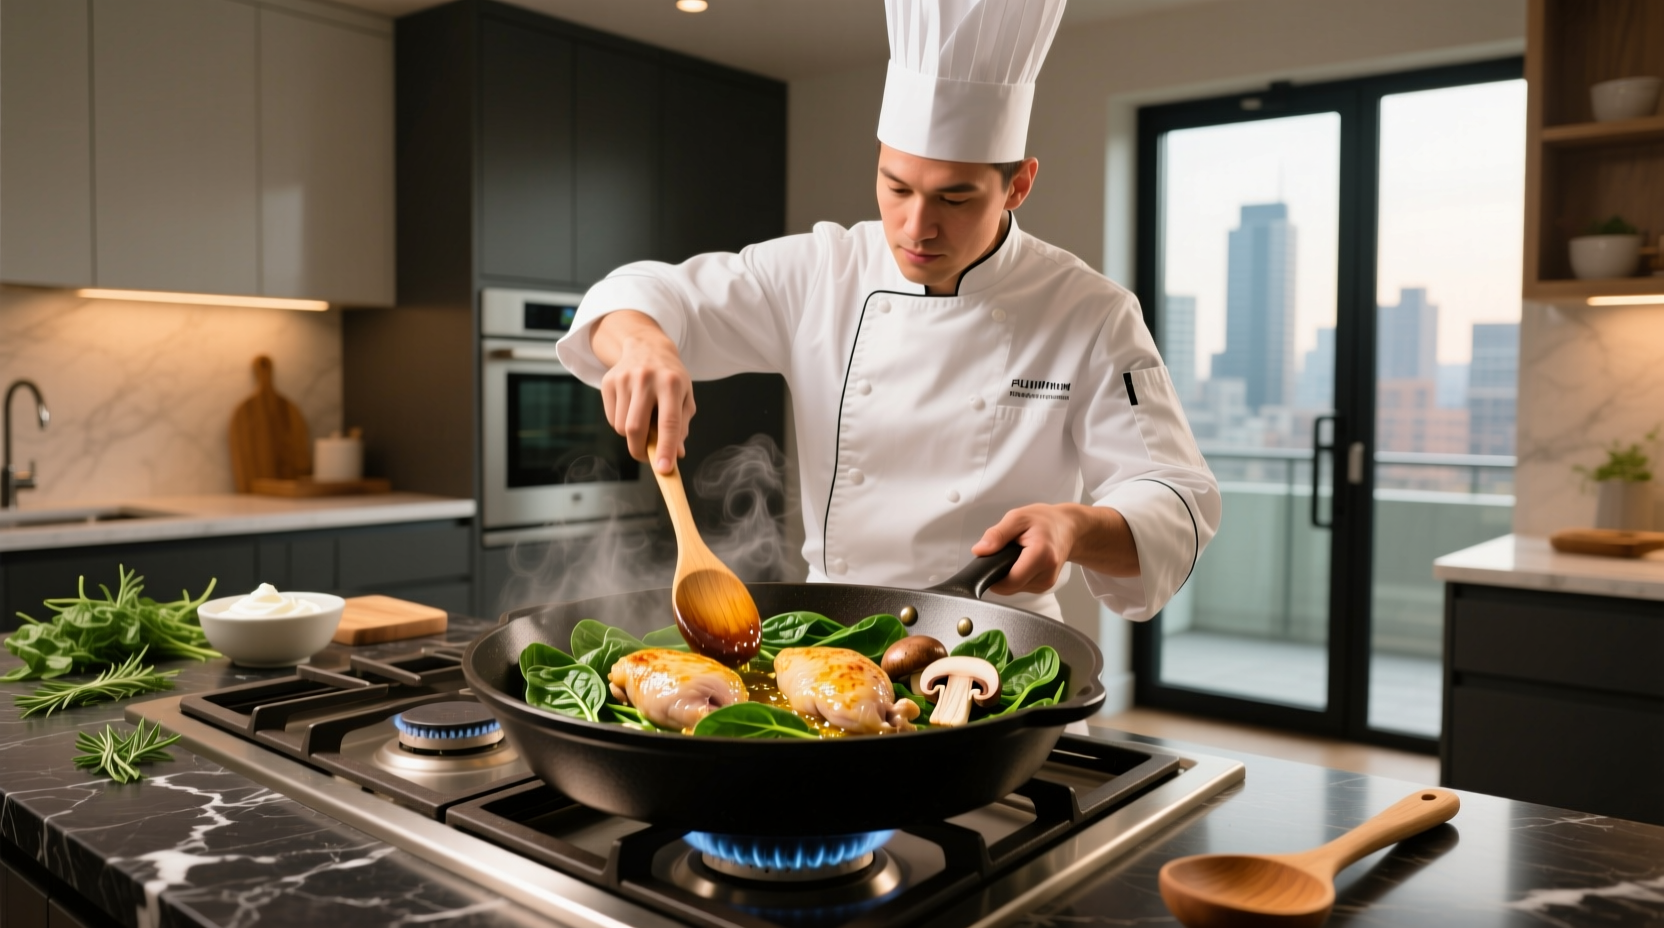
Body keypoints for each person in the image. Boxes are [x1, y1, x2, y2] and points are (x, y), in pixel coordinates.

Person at [556, 0, 1219, 622]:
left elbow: (1175, 501)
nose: (915, 226)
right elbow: (645, 293)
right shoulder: (823, 271)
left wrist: (1073, 527)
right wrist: (644, 344)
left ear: (1018, 185)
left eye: (954, 199)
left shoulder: (1090, 312)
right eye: (896, 186)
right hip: (828, 648)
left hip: (996, 652)